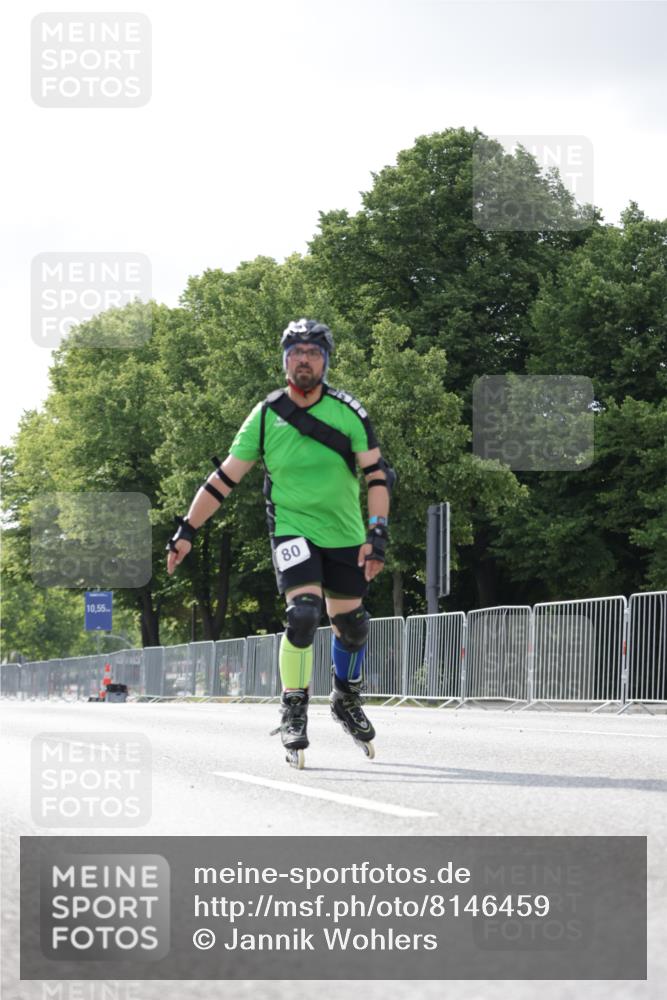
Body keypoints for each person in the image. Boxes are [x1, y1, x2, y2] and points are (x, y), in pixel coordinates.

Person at [166, 319, 392, 768]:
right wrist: (187, 530)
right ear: (284, 360)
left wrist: (377, 533)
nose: (303, 359)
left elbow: (376, 475)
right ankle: (294, 707)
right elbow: (225, 478)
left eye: (312, 351)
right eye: (295, 351)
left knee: (354, 627)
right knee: (303, 614)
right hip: (292, 529)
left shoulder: (349, 411)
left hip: (346, 534)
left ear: (325, 360)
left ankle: (345, 698)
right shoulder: (267, 414)